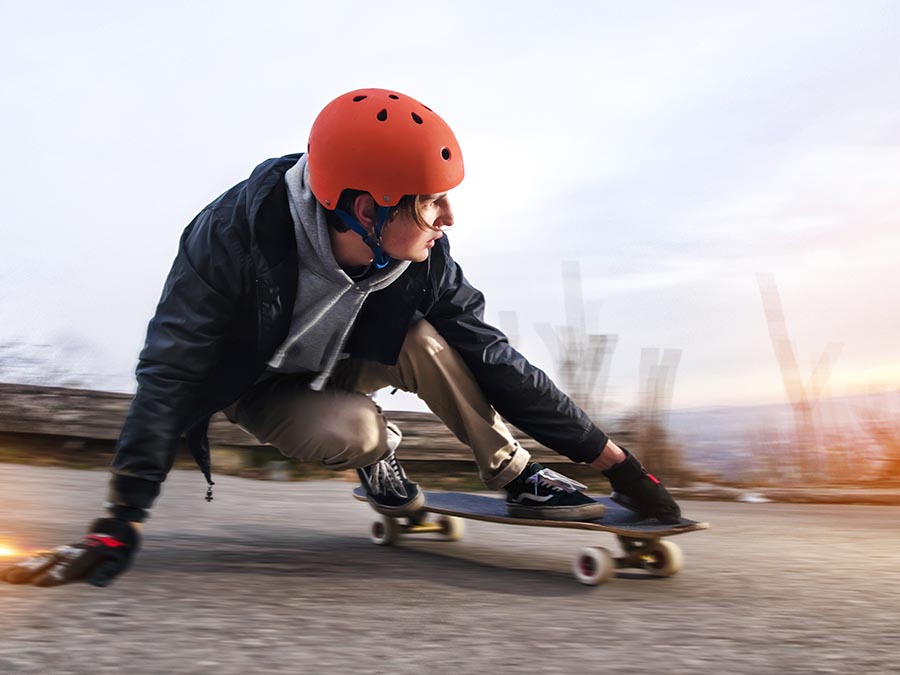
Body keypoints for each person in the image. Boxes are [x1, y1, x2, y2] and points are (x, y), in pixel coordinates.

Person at [2, 88, 681, 588]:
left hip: (349, 354)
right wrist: (121, 517)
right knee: (357, 430)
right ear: (366, 207)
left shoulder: (425, 259)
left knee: (427, 337)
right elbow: (169, 372)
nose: (449, 215)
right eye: (430, 201)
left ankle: (519, 478)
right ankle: (379, 459)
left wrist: (616, 463)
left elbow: (495, 359)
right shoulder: (230, 239)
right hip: (264, 388)